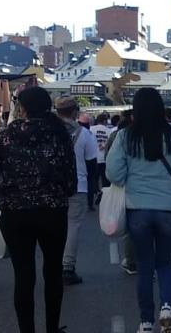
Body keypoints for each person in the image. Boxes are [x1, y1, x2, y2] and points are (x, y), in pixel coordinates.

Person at [0, 87, 77, 333]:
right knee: (52, 270)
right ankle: (51, 332)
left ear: (21, 108)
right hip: (52, 210)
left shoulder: (6, 137)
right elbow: (70, 179)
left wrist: (6, 192)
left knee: (23, 275)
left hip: (16, 212)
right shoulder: (59, 135)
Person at [106, 88, 171, 333]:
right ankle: (167, 307)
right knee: (166, 264)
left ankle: (145, 324)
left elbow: (113, 172)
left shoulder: (125, 137)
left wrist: (129, 184)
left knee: (145, 267)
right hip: (169, 209)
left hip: (138, 209)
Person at [55, 97, 99, 285]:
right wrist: (93, 190)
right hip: (77, 186)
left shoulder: (49, 133)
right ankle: (67, 267)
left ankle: (53, 265)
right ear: (74, 112)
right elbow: (92, 164)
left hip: (51, 187)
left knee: (54, 228)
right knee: (72, 227)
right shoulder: (85, 135)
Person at [106, 112, 138, 275]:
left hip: (127, 187)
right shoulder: (168, 133)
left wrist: (117, 181)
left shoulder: (118, 135)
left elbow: (110, 164)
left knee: (130, 226)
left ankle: (131, 261)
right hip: (162, 195)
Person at [90, 113, 113, 206]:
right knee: (105, 181)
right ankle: (104, 198)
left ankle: (93, 196)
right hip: (104, 159)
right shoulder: (109, 131)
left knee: (93, 179)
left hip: (93, 158)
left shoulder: (91, 129)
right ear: (104, 121)